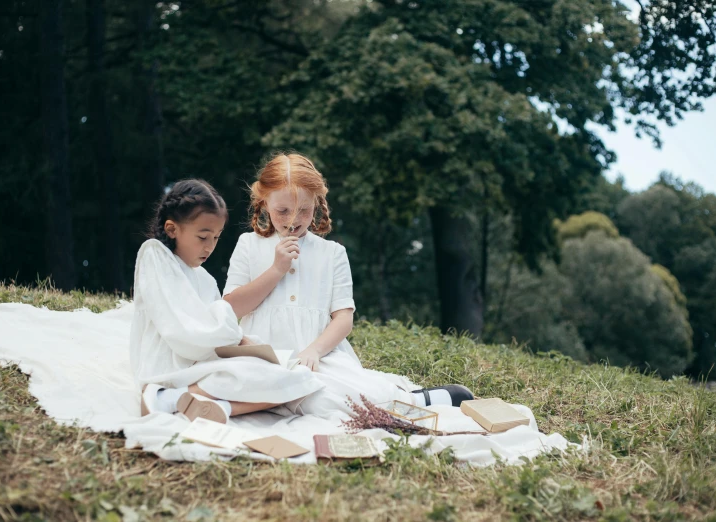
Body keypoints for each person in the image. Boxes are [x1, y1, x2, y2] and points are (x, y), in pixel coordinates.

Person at [223, 153, 473, 417]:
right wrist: (276, 270)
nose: (292, 220)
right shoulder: (248, 245)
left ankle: (415, 400)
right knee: (293, 397)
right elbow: (232, 309)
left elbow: (343, 318)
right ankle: (402, 403)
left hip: (319, 358)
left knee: (327, 399)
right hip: (266, 359)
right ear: (264, 202)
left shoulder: (332, 253)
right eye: (282, 211)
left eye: (304, 210)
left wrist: (314, 351)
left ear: (317, 204)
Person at [129, 179, 324, 424]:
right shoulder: (155, 254)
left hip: (200, 364)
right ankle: (166, 396)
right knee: (261, 375)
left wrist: (246, 347)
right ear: (171, 229)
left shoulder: (205, 278)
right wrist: (236, 338)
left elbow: (215, 331)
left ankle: (217, 406)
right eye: (203, 237)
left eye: (216, 238)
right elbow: (183, 331)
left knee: (298, 379)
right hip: (169, 365)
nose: (209, 246)